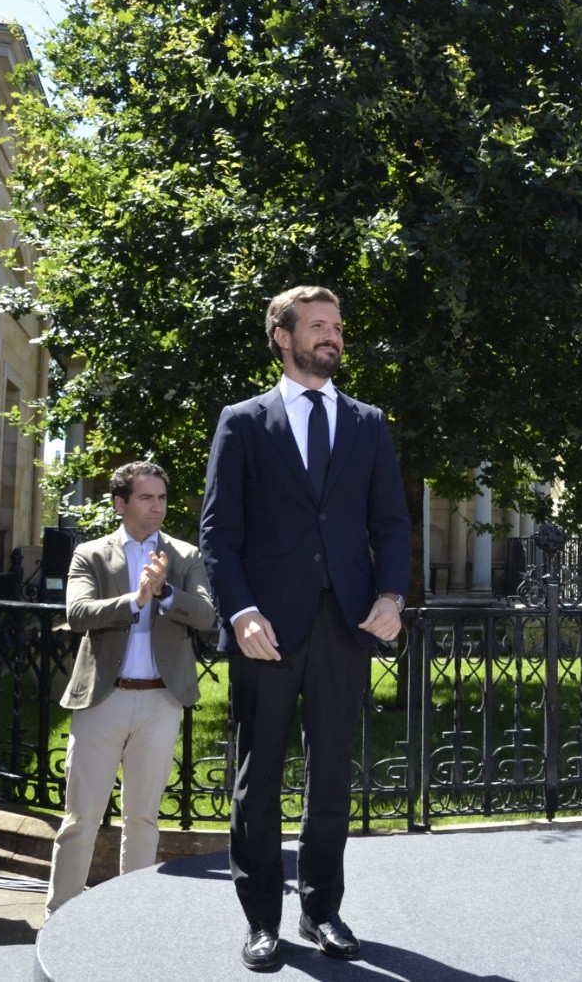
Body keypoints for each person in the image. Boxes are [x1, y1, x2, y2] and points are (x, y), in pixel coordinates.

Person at [201, 285, 411, 970]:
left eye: (339, 327)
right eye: (319, 326)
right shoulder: (242, 421)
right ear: (283, 336)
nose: (334, 337)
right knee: (257, 778)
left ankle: (322, 908)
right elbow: (219, 534)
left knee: (331, 778)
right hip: (266, 626)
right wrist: (240, 610)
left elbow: (391, 522)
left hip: (345, 622)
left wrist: (392, 593)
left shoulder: (368, 423)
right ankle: (262, 919)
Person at [45, 462, 216, 917]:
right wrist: (136, 599)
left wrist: (164, 595)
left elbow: (206, 614)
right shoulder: (91, 554)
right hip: (104, 697)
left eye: (161, 498)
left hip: (161, 700)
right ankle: (59, 913)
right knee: (80, 819)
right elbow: (78, 613)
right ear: (121, 503)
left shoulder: (185, 556)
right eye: (145, 498)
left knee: (142, 819)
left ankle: (130, 917)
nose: (156, 507)